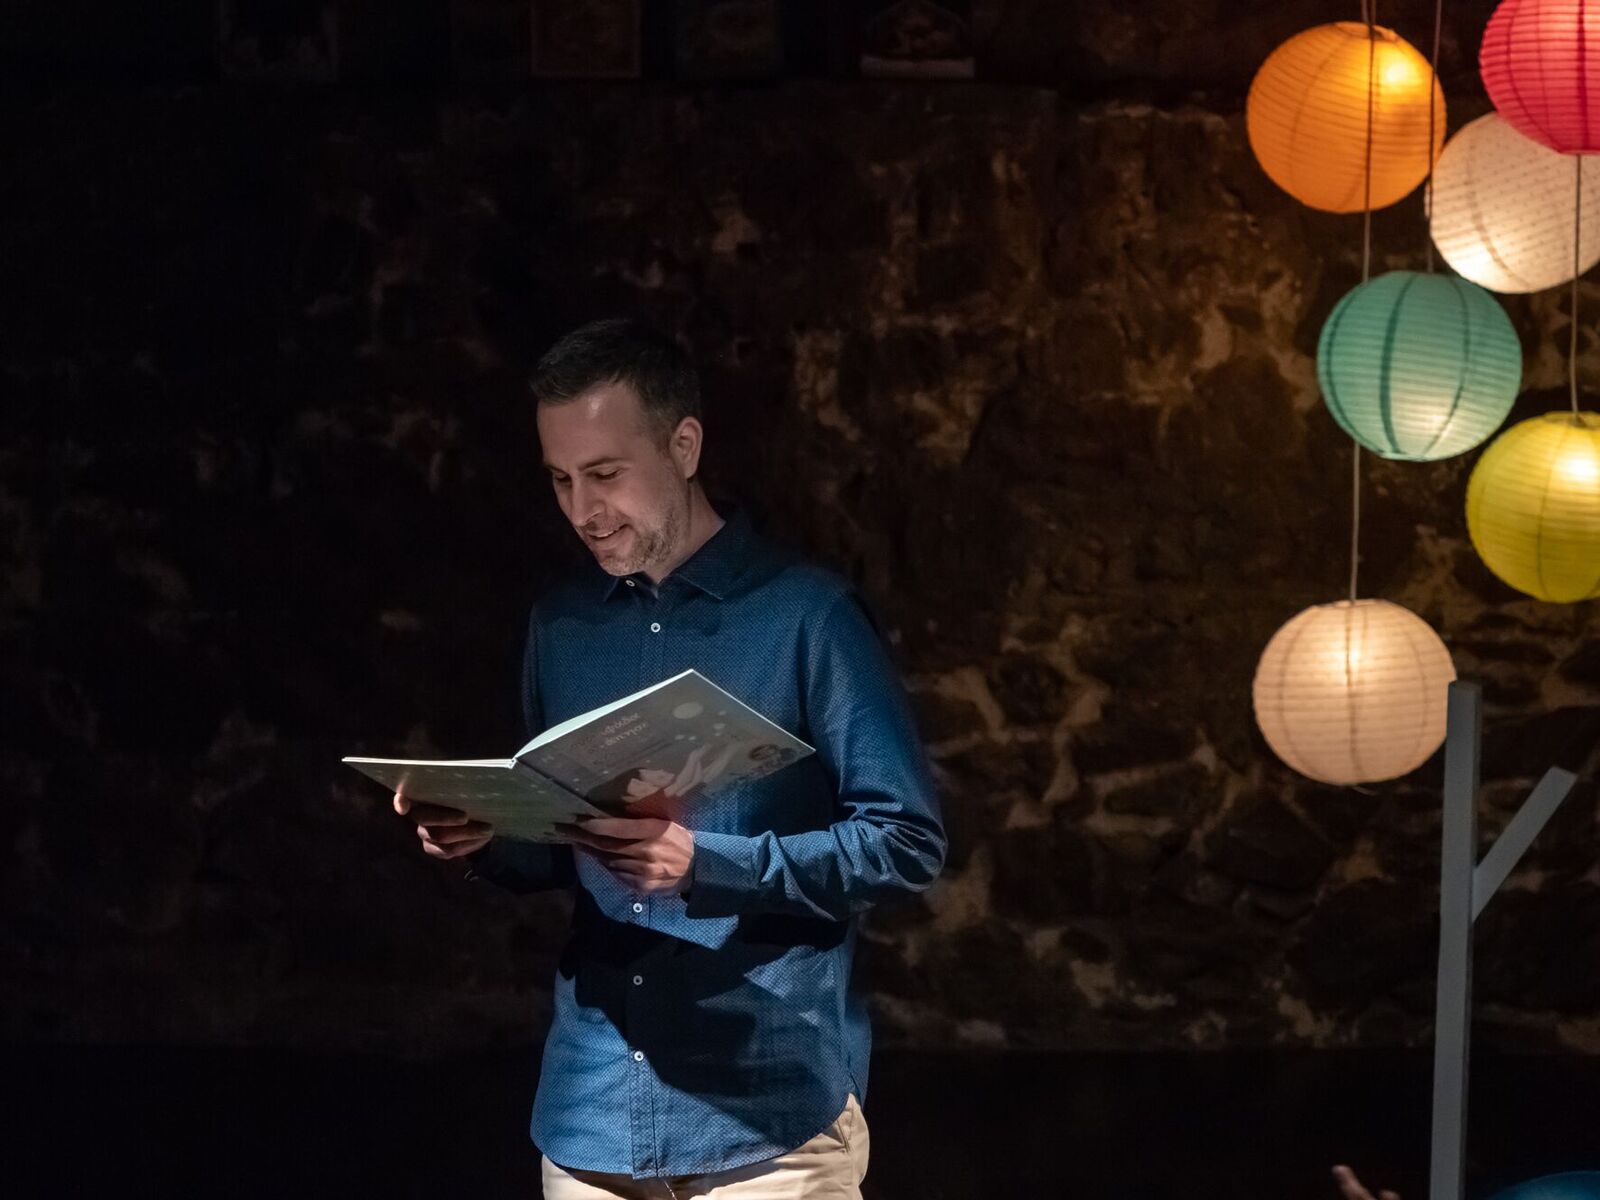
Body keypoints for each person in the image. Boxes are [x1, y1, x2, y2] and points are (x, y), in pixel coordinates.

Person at [393, 317, 947, 1198]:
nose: (583, 510)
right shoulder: (563, 627)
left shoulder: (806, 617)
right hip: (594, 1105)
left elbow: (905, 841)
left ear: (684, 446)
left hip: (767, 1112)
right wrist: (485, 837)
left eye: (606, 474)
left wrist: (707, 865)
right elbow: (562, 843)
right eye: (561, 480)